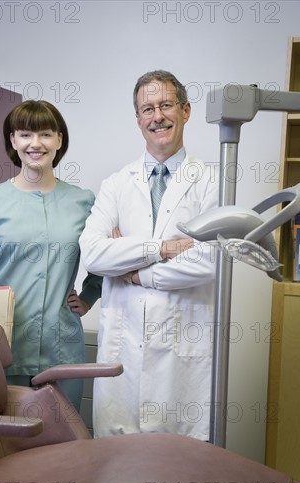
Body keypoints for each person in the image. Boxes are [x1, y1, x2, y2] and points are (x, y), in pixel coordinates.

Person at [79, 70, 219, 440]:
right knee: (116, 474)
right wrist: (161, 249)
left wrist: (135, 271)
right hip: (123, 350)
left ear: (186, 110)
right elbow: (93, 254)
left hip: (181, 357)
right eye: (147, 109)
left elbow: (210, 260)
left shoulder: (212, 183)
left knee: (179, 477)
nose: (157, 116)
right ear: (138, 120)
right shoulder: (116, 184)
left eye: (166, 105)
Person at [0, 100, 101, 411]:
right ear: (13, 140)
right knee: (7, 445)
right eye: (25, 135)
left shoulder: (83, 202)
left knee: (64, 445)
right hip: (4, 349)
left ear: (59, 140)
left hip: (62, 348)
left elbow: (105, 256)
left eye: (46, 134)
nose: (36, 144)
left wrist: (90, 294)